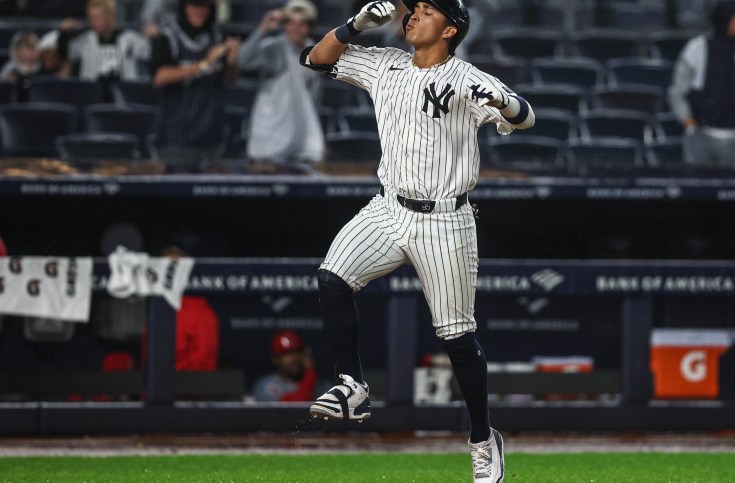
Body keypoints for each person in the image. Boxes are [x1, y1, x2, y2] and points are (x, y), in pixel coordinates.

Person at [300, 1, 534, 481]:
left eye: (426, 10)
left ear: (449, 29)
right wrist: (354, 25)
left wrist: (500, 102)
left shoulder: (467, 76)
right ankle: (353, 386)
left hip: (445, 221)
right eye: (414, 8)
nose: (413, 15)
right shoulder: (384, 63)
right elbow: (316, 59)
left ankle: (482, 438)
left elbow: (525, 115)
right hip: (388, 207)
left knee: (457, 337)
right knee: (332, 278)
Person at [668, 0, 735, 168]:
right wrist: (689, 124)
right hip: (701, 137)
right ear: (724, 18)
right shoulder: (696, 49)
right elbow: (677, 93)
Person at [150, 0, 241, 171]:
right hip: (177, 137)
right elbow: (159, 77)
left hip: (212, 137)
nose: (199, 11)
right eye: (194, 6)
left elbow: (231, 79)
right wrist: (204, 64)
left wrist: (232, 62)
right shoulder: (168, 37)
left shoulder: (217, 35)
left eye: (204, 6)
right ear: (184, 7)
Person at [237, 0, 324, 165]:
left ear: (310, 27)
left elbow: (314, 98)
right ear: (285, 25)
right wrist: (263, 28)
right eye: (291, 23)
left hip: (301, 139)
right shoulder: (274, 48)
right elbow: (243, 61)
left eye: (302, 24)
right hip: (270, 139)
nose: (296, 28)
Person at [58, 0, 151, 88]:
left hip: (124, 95)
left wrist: (154, 36)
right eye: (91, 18)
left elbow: (149, 52)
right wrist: (64, 34)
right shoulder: (86, 41)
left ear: (111, 16)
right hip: (93, 95)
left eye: (98, 17)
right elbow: (66, 53)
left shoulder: (129, 39)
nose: (94, 22)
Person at [252, 329, 320, 402]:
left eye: (298, 352)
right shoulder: (265, 386)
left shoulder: (321, 386)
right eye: (288, 354)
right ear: (276, 359)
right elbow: (290, 409)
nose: (294, 358)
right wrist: (310, 375)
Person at [1, 31, 42, 102]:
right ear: (17, 50)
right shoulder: (10, 70)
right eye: (29, 47)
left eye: (35, 46)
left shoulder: (42, 69)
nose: (34, 50)